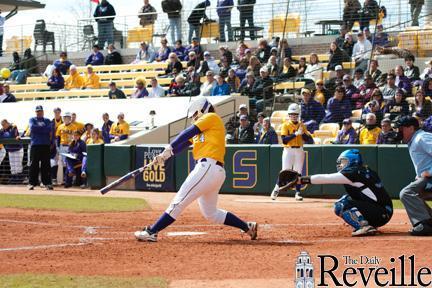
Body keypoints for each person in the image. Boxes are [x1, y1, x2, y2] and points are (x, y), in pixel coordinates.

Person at [134, 96, 258, 242]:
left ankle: (152, 231)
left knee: (179, 201)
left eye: (194, 114)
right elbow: (184, 143)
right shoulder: (204, 131)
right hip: (213, 171)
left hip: (208, 167)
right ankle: (247, 227)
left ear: (202, 109)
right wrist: (164, 156)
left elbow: (187, 133)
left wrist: (168, 148)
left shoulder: (211, 117)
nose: (193, 117)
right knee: (211, 213)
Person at [292, 149, 393, 236]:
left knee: (341, 204)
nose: (340, 165)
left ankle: (363, 226)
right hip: (383, 211)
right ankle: (368, 224)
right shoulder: (363, 171)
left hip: (381, 213)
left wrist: (300, 180)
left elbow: (326, 178)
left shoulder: (353, 173)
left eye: (343, 162)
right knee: (348, 199)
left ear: (353, 161)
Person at [396, 116, 432, 235]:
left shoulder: (421, 137)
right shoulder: (414, 140)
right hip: (427, 179)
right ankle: (429, 222)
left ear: (411, 128)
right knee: (416, 194)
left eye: (401, 128)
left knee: (406, 193)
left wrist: (430, 172)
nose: (399, 131)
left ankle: (425, 224)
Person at [271, 104, 312, 201]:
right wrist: (295, 134)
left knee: (298, 172)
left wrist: (302, 134)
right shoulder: (285, 125)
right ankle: (276, 190)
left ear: (298, 115)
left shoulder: (301, 125)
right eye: (292, 114)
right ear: (289, 115)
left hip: (299, 150)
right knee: (285, 172)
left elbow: (308, 139)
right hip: (288, 150)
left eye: (296, 114)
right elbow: (284, 140)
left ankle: (297, 193)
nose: (294, 116)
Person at [28, 105, 53, 190]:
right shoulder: (32, 119)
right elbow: (32, 128)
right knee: (33, 164)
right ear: (36, 112)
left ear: (43, 112)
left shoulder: (47, 120)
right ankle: (32, 183)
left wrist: (39, 129)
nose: (39, 113)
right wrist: (43, 129)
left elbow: (49, 129)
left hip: (45, 145)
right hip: (35, 145)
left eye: (40, 111)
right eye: (37, 111)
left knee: (46, 165)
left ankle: (47, 183)